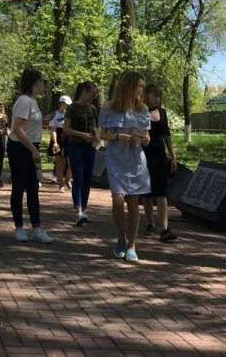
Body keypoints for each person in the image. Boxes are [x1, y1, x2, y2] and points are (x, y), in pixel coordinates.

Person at [98, 71, 151, 262]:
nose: (141, 90)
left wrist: (142, 139)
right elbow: (102, 135)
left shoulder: (143, 109)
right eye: (139, 86)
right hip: (115, 158)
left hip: (135, 159)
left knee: (134, 202)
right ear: (128, 87)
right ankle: (121, 237)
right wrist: (119, 137)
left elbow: (147, 138)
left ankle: (132, 245)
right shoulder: (108, 107)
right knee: (118, 199)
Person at [9, 67, 53, 243]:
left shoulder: (33, 102)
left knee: (33, 188)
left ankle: (36, 228)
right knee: (19, 187)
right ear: (36, 83)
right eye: (42, 82)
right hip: (19, 148)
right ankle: (19, 227)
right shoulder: (24, 101)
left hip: (31, 146)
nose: (44, 85)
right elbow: (17, 129)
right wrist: (33, 150)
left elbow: (31, 126)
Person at [140, 84, 178, 242]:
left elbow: (166, 134)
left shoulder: (162, 112)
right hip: (143, 156)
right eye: (155, 95)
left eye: (159, 96)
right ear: (146, 95)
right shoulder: (138, 112)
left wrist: (173, 155)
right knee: (147, 193)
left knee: (162, 192)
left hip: (160, 156)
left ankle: (164, 229)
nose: (157, 98)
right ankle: (150, 223)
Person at [62, 82, 100, 226]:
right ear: (84, 91)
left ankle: (84, 210)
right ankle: (78, 210)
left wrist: (97, 139)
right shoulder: (72, 108)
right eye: (92, 93)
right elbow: (66, 129)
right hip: (75, 145)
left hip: (89, 147)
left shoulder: (93, 108)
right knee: (78, 178)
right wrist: (82, 135)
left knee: (87, 178)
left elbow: (94, 127)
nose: (93, 96)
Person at [47, 96, 72, 190]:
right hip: (59, 140)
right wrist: (55, 142)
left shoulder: (72, 114)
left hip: (70, 139)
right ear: (61, 103)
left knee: (71, 163)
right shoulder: (55, 114)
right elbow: (53, 130)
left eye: (69, 104)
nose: (67, 106)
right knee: (59, 164)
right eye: (65, 104)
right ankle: (61, 184)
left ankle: (68, 180)